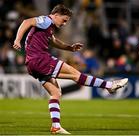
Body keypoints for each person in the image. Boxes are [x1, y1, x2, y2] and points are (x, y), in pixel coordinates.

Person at [13, 4, 128, 134]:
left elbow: (53, 41)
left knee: (56, 93)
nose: (65, 23)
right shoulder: (46, 20)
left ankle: (56, 126)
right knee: (76, 75)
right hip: (40, 59)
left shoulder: (48, 28)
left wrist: (69, 48)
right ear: (56, 15)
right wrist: (17, 40)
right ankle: (109, 85)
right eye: (64, 20)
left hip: (31, 64)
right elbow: (27, 21)